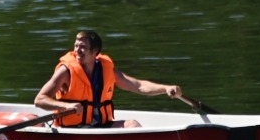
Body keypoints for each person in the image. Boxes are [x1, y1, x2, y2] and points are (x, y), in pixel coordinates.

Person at [34, 30, 183, 129]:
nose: (77, 51)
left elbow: (138, 86)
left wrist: (165, 88)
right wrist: (66, 107)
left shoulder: (107, 70)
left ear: (95, 52)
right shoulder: (66, 72)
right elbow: (39, 99)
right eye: (76, 46)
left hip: (100, 127)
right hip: (73, 129)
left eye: (83, 47)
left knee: (132, 125)